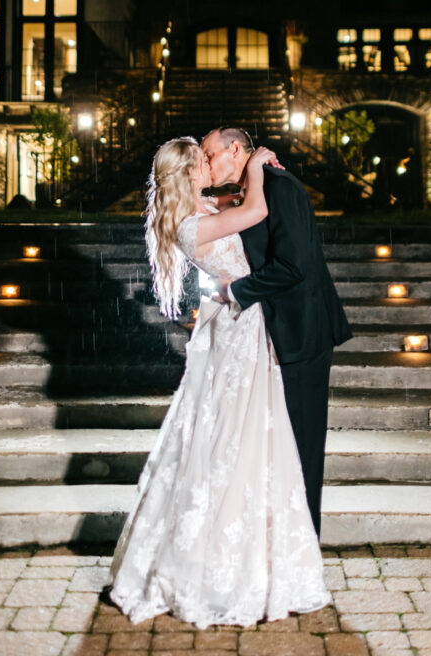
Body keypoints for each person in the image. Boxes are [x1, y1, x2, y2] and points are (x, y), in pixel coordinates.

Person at [108, 136, 329, 629]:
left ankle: (262, 548)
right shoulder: (194, 224)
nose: (209, 164)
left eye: (212, 154)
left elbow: (236, 208)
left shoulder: (202, 207)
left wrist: (256, 167)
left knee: (245, 436)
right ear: (190, 172)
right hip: (239, 329)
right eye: (202, 160)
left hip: (247, 325)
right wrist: (254, 167)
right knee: (233, 437)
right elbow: (251, 211)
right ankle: (222, 560)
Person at [201, 126, 352, 537]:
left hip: (301, 331)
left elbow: (294, 265)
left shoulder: (280, 186)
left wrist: (235, 291)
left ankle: (305, 550)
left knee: (302, 448)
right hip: (271, 334)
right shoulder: (254, 185)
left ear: (235, 149)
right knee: (276, 448)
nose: (206, 164)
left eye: (210, 154)